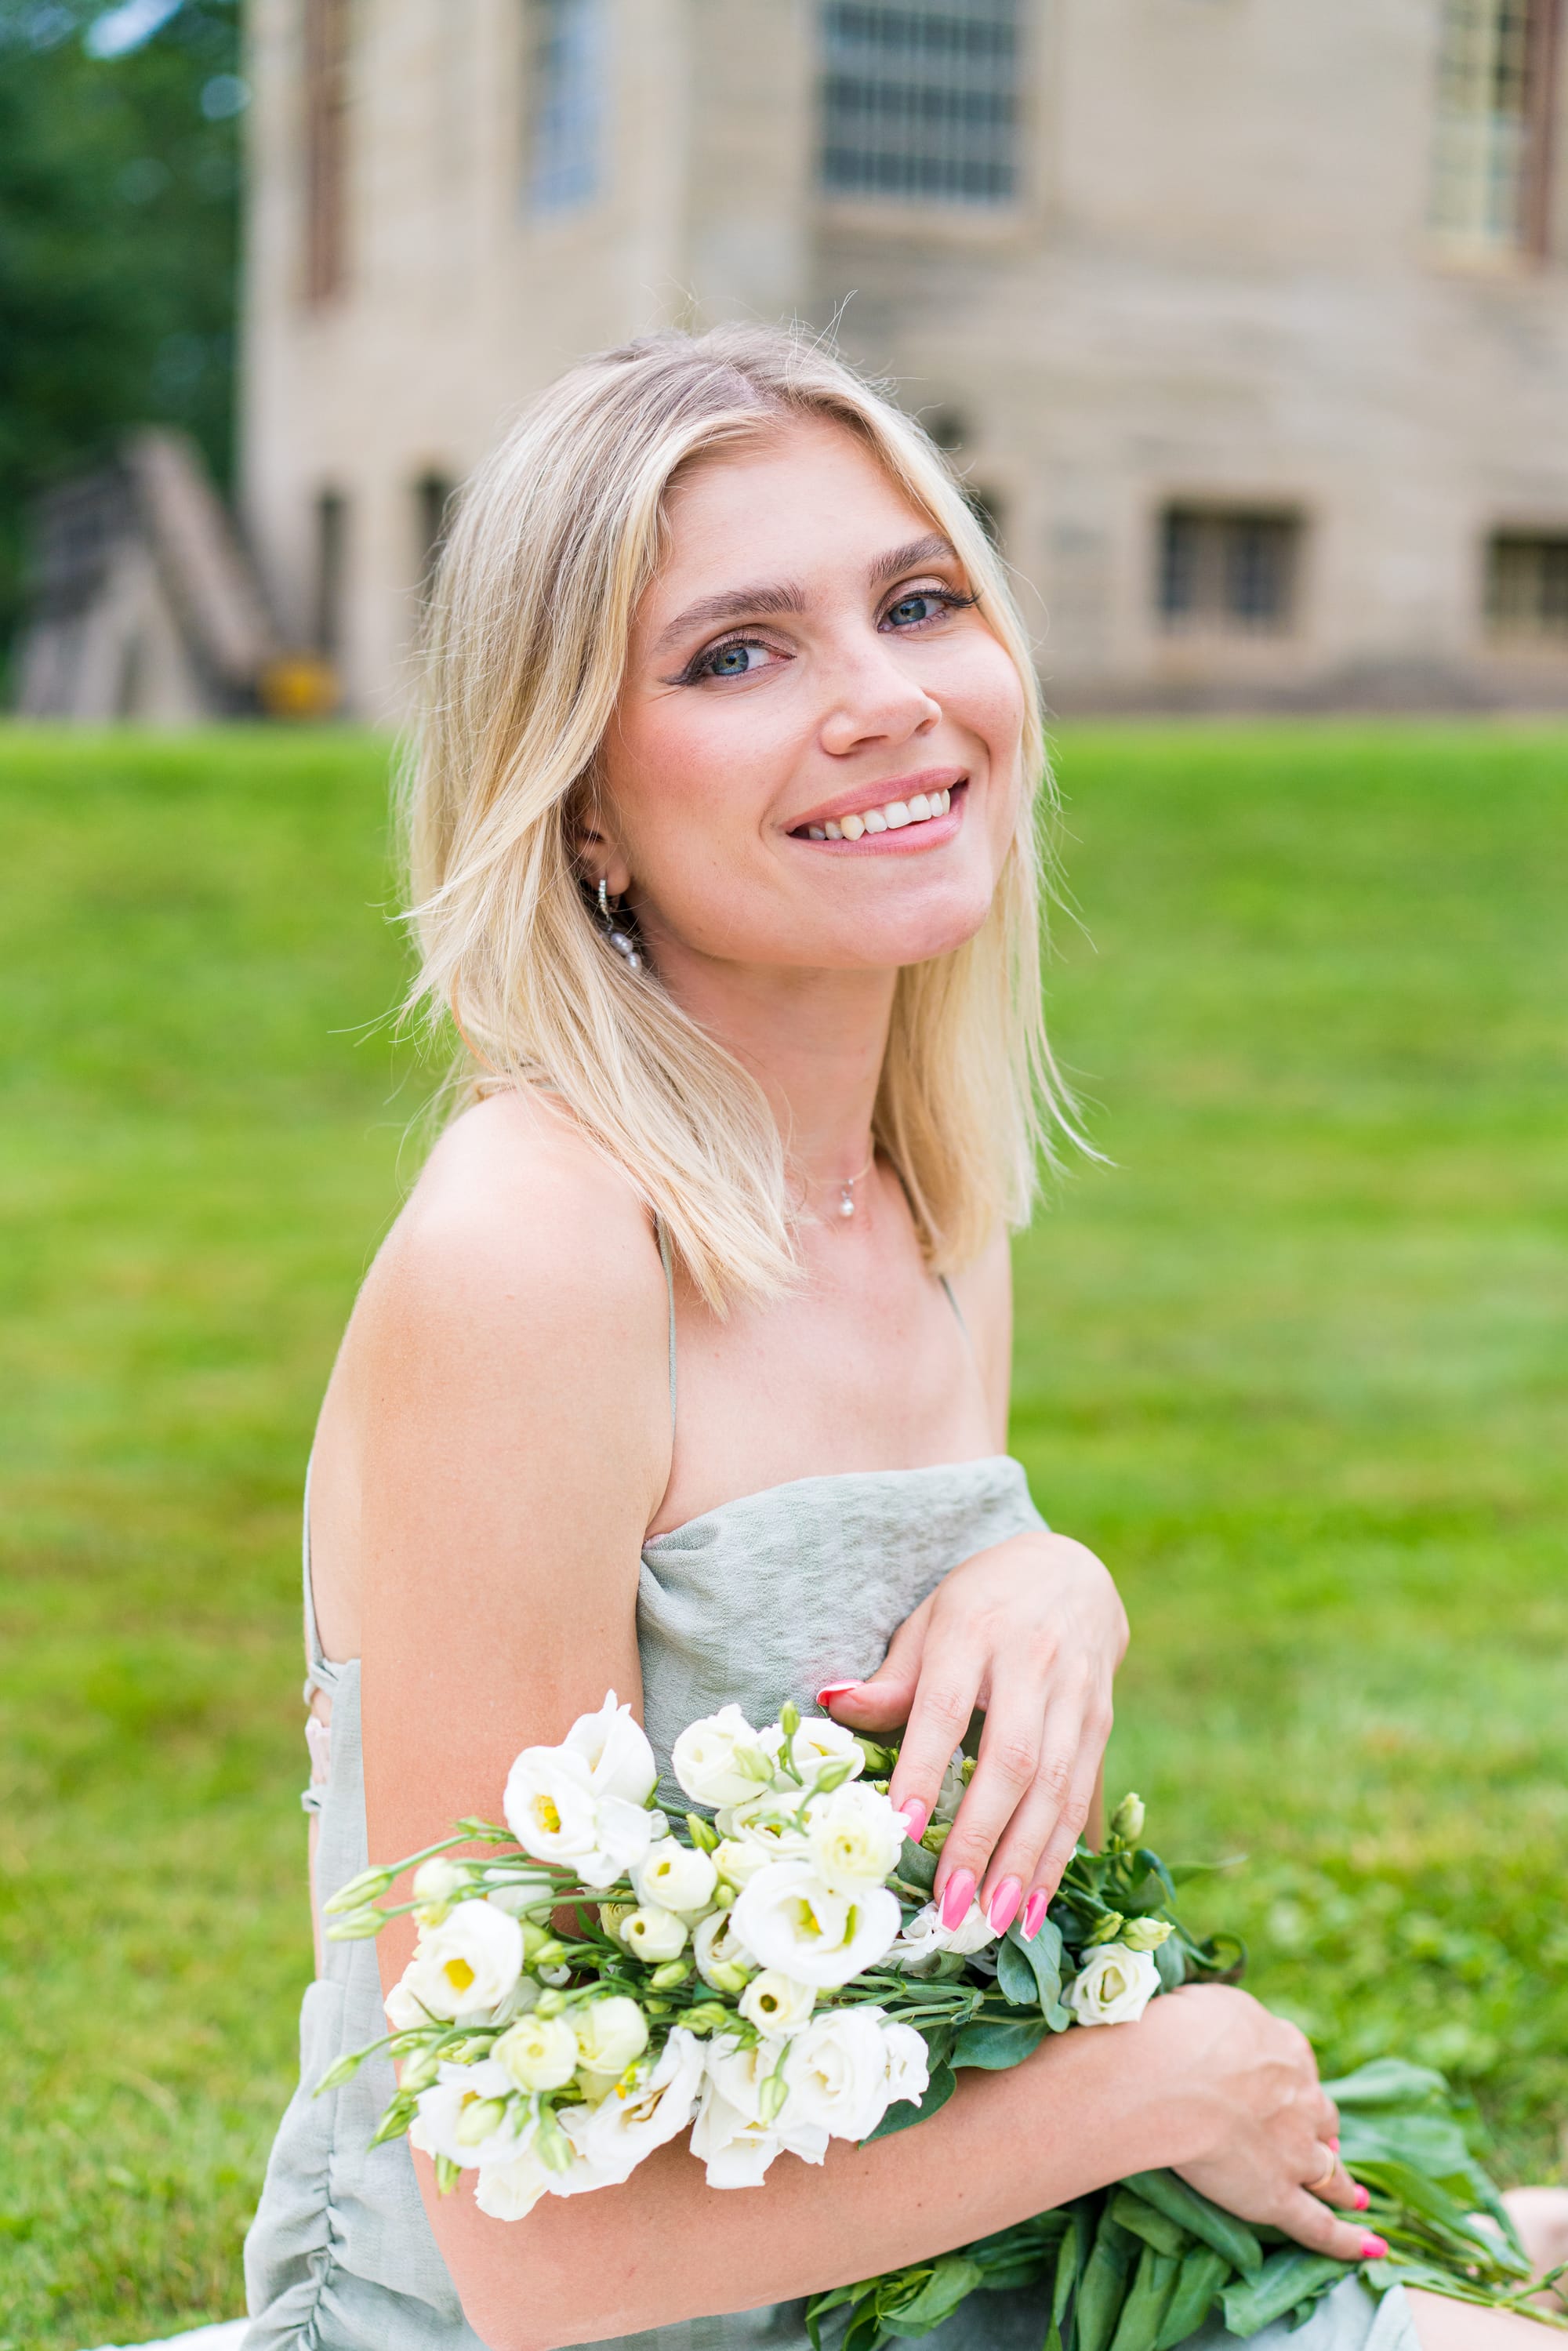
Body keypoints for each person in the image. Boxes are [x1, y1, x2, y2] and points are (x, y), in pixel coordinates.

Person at [234, 328, 1563, 2351]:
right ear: (580, 800)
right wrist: (1138, 2088)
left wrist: (1054, 1580)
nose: (889, 701)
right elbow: (531, 2251)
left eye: (921, 601)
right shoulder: (537, 1254)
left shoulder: (928, 1199)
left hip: (899, 2271)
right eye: (737, 655)